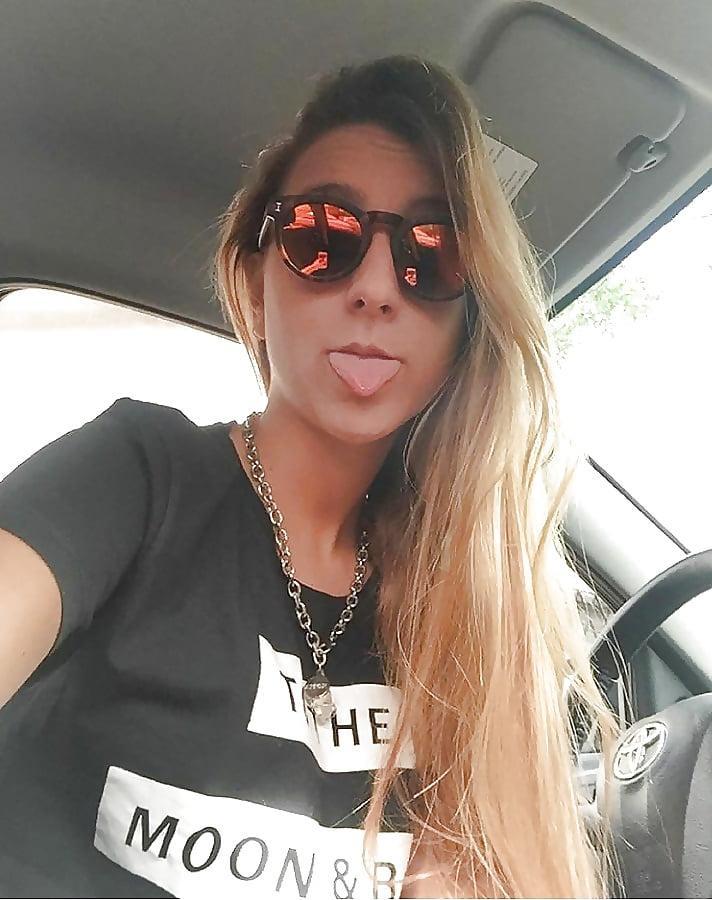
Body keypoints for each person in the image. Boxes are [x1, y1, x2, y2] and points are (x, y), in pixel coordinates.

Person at [0, 54, 618, 898]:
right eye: (321, 236)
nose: (376, 288)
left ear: (465, 325)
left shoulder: (464, 607)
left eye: (431, 253)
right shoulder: (134, 477)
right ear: (255, 286)